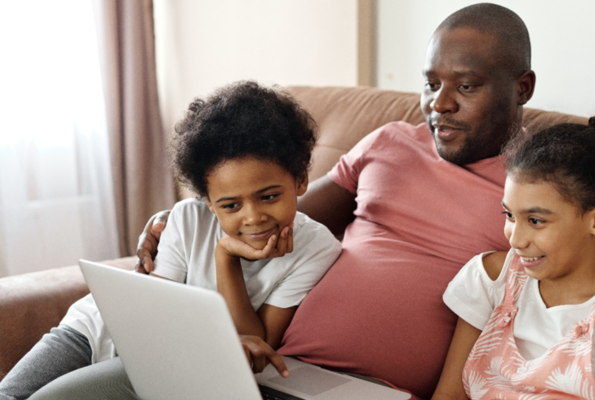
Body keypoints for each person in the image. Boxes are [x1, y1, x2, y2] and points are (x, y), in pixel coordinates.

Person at [135, 4, 595, 400]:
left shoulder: (546, 185)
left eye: (465, 86)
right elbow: (274, 217)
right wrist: (189, 221)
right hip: (286, 370)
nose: (438, 103)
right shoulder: (388, 141)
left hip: (379, 391)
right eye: (430, 82)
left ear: (522, 88)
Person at [0, 81, 341, 400]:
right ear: (208, 202)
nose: (252, 217)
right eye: (231, 205)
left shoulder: (315, 248)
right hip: (95, 329)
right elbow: (154, 317)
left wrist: (226, 257)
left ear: (299, 180)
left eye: (268, 196)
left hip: (162, 362)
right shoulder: (188, 218)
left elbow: (255, 345)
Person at [433, 104, 595, 400]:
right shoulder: (490, 279)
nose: (516, 240)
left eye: (536, 220)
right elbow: (449, 395)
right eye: (509, 215)